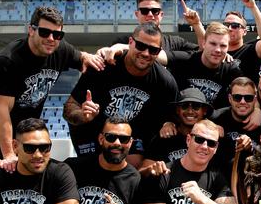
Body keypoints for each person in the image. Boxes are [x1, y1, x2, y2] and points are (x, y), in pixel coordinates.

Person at [0, 6, 103, 166]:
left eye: (57, 34)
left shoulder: (60, 49)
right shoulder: (8, 61)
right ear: (31, 30)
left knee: (31, 166)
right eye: (44, 32)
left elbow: (82, 57)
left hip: (28, 120)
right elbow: (1, 110)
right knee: (2, 167)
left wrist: (91, 57)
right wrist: (8, 154)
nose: (51, 38)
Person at [63, 22, 179, 167]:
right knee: (95, 169)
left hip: (127, 136)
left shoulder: (165, 82)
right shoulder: (103, 67)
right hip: (91, 133)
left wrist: (168, 123)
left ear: (159, 51)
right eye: (141, 46)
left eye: (153, 50)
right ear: (130, 42)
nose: (145, 53)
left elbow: (173, 117)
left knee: (133, 165)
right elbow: (68, 108)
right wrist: (82, 115)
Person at [97, 0, 203, 65]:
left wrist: (197, 24)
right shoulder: (121, 41)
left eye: (155, 11)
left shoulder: (176, 42)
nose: (150, 14)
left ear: (161, 15)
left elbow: (205, 52)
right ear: (137, 14)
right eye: (144, 11)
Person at [165, 22, 243, 110]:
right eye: (213, 44)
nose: (218, 50)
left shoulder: (231, 70)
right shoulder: (186, 59)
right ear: (203, 44)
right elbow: (155, 57)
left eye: (223, 46)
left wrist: (256, 110)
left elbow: (248, 92)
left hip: (213, 122)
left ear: (228, 48)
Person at [140, 88, 214, 176]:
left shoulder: (211, 141)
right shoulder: (165, 137)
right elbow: (141, 172)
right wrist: (152, 169)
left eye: (196, 106)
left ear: (204, 111)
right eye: (185, 106)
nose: (190, 111)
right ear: (177, 110)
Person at [224, 0, 261, 84]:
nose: (229, 28)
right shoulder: (216, 52)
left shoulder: (250, 50)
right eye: (226, 25)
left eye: (235, 25)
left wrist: (253, 7)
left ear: (245, 31)